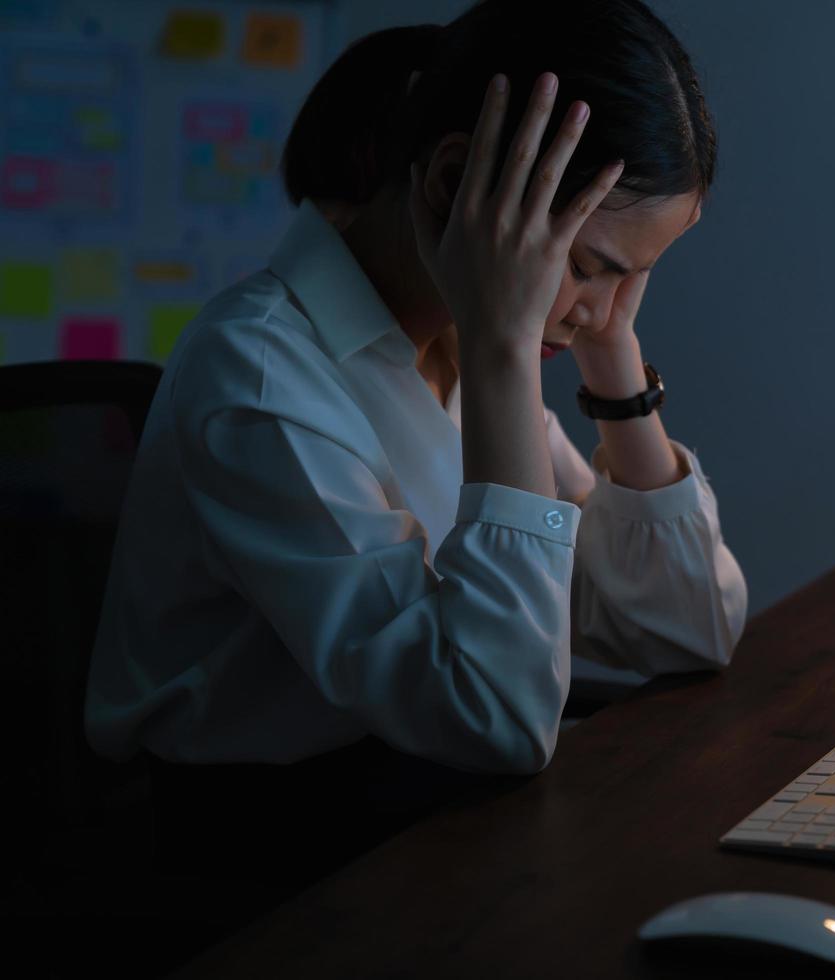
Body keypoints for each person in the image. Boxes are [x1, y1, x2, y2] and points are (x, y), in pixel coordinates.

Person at [83, 0, 747, 888]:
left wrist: (612, 351)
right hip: (272, 865)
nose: (597, 303)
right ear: (448, 188)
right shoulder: (261, 376)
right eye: (589, 266)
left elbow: (686, 628)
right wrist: (509, 353)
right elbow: (493, 716)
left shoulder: (453, 344)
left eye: (634, 277)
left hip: (432, 809)